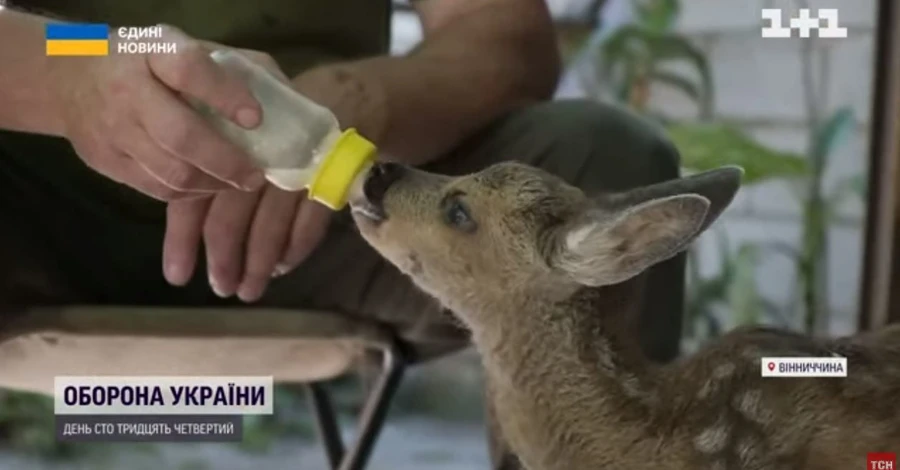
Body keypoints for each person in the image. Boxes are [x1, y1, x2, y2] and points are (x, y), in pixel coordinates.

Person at [0, 0, 685, 468]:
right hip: (40, 202)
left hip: (341, 211)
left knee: (602, 162)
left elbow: (500, 30)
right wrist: (74, 66)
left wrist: (372, 100)